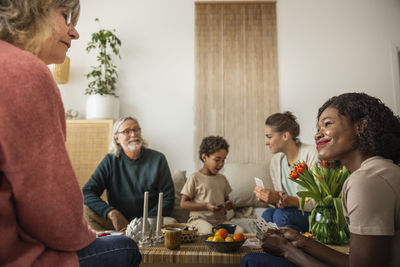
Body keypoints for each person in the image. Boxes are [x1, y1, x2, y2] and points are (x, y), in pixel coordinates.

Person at [0, 1, 141, 267]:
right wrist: (106, 216)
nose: (75, 33)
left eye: (136, 130)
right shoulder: (24, 71)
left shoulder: (156, 160)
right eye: (65, 16)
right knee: (126, 248)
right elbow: (55, 215)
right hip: (16, 256)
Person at [241, 92, 400, 267]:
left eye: (327, 124)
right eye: (318, 129)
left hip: (309, 212)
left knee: (252, 260)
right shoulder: (382, 170)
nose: (318, 135)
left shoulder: (367, 181)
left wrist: (287, 250)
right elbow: (357, 261)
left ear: (360, 126)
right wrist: (301, 240)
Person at [82, 116, 175, 232]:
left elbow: (168, 198)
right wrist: (111, 212)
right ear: (116, 139)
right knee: (85, 211)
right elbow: (87, 192)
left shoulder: (158, 159)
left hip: (150, 222)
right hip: (120, 223)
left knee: (171, 223)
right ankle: (111, 243)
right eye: (127, 131)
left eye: (136, 130)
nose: (133, 135)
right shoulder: (110, 161)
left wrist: (144, 221)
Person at [254, 112, 319, 232]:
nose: (266, 142)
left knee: (281, 216)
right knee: (267, 215)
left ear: (285, 136)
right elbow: (281, 204)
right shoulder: (276, 162)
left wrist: (283, 199)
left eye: (269, 137)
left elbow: (317, 201)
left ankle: (288, 245)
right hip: (290, 213)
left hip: (313, 214)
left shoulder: (311, 154)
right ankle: (286, 244)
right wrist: (271, 198)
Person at [180, 136, 244, 234]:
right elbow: (183, 203)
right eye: (217, 160)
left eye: (223, 160)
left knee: (240, 231)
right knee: (208, 231)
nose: (221, 164)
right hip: (199, 220)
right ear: (204, 157)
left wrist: (229, 205)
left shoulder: (222, 179)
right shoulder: (195, 177)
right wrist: (206, 206)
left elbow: (226, 200)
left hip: (220, 222)